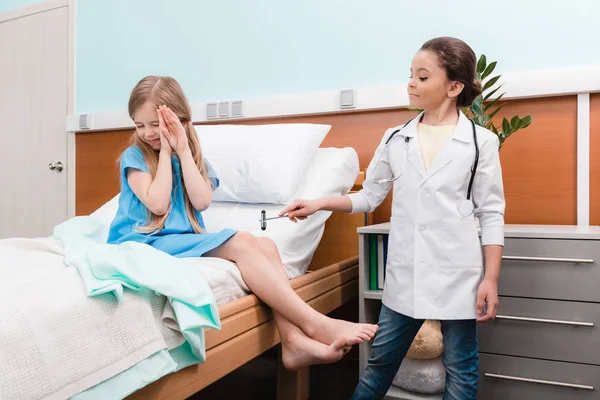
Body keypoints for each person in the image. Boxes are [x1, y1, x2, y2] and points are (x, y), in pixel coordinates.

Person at [279, 37, 505, 398]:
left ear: (453, 87)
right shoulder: (395, 138)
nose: (411, 83)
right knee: (379, 366)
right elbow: (370, 196)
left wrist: (490, 278)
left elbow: (491, 213)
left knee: (462, 367)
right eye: (411, 75)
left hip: (457, 274)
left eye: (422, 76)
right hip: (407, 274)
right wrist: (320, 203)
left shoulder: (481, 143)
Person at [107, 75, 378, 371]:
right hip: (141, 241)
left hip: (175, 239)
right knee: (245, 242)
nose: (147, 133)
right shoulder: (135, 156)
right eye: (139, 125)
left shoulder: (192, 157)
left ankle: (292, 342)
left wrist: (182, 150)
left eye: (155, 124)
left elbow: (201, 201)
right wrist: (167, 152)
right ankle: (314, 324)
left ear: (180, 120)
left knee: (268, 246)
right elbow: (157, 204)